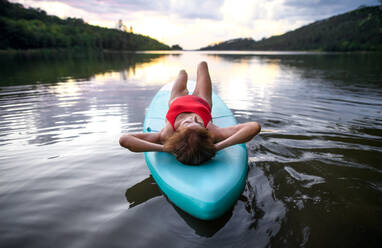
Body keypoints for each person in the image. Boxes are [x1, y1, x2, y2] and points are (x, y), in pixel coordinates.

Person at [119, 61, 261, 165]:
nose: (193, 118)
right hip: (202, 100)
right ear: (205, 131)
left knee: (182, 74)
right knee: (202, 65)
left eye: (188, 123)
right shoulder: (213, 133)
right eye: (198, 123)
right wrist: (217, 147)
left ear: (177, 136)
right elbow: (254, 127)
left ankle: (182, 73)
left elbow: (125, 140)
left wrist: (164, 148)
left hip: (177, 99)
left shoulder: (166, 135)